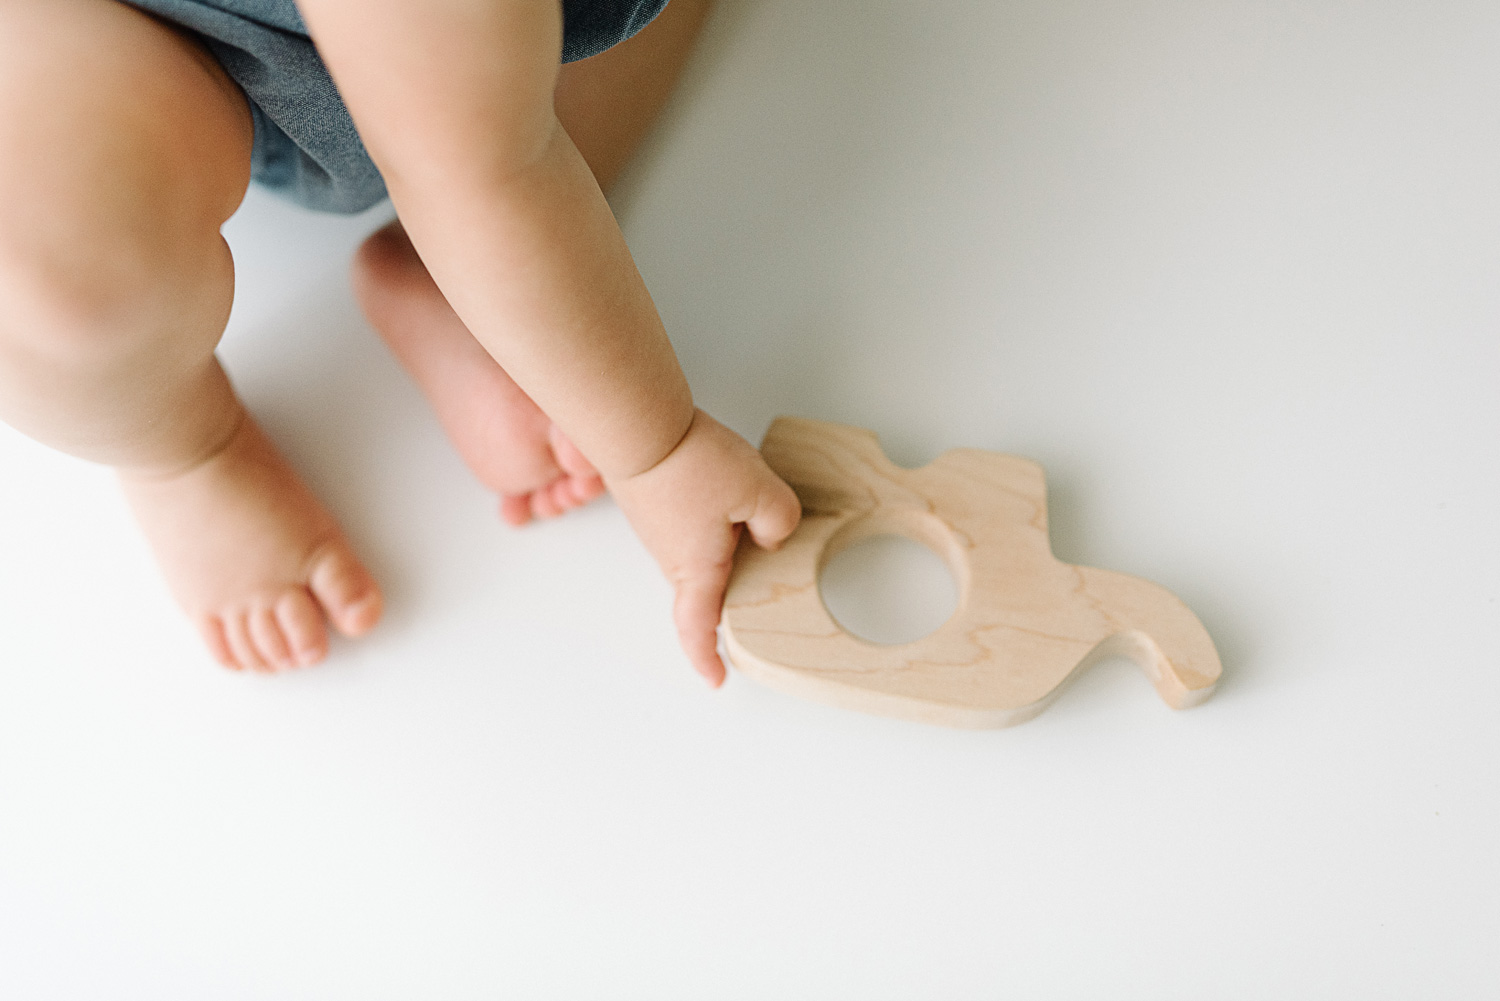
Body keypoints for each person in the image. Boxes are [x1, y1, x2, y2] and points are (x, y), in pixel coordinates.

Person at [0, 0, 801, 685]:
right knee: (42, 269)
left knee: (506, 126)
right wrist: (658, 450)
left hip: (487, 56)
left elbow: (490, 166)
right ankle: (177, 444)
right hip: (123, 33)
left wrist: (649, 442)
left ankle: (458, 277)